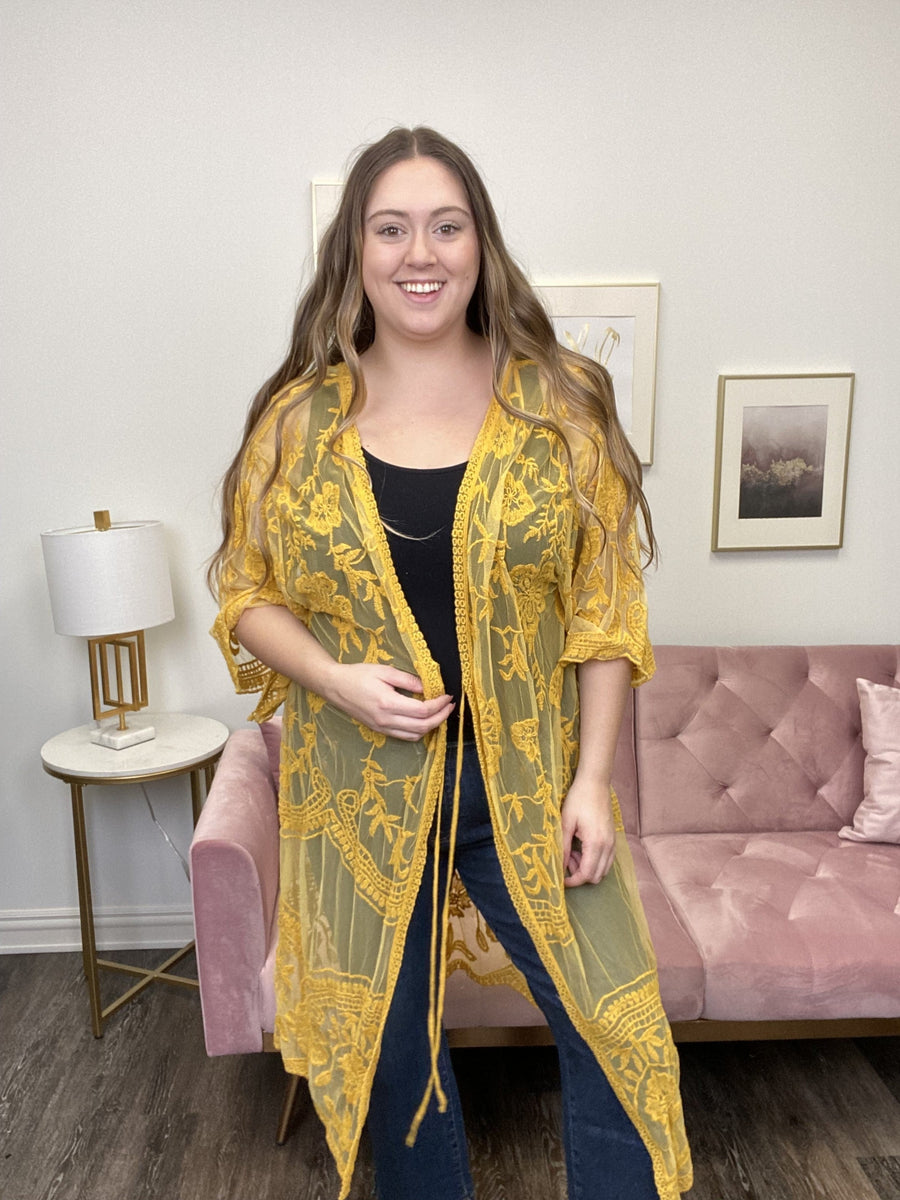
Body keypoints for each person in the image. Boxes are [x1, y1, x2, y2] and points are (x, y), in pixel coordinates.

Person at [209, 126, 692, 1200]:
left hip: (523, 786)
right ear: (356, 250)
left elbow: (604, 613)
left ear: (481, 244)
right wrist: (333, 680)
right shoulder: (299, 424)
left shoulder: (558, 405)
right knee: (395, 1056)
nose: (419, 253)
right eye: (391, 229)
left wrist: (592, 782)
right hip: (360, 790)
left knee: (614, 1027)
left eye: (445, 225)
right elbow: (245, 593)